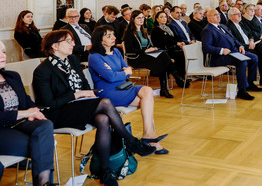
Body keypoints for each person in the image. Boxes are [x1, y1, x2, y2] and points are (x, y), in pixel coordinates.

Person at [32, 30, 156, 186]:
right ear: (55, 46)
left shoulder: (72, 61)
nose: (73, 44)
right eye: (68, 41)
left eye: (72, 40)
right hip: (58, 113)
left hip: (78, 107)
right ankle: (131, 141)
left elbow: (84, 84)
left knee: (103, 119)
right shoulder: (43, 71)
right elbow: (48, 104)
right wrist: (77, 95)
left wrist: (86, 94)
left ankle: (105, 171)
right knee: (104, 102)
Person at [88, 26, 168, 154]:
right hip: (108, 93)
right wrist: (122, 72)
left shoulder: (116, 52)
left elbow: (128, 70)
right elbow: (111, 77)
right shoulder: (95, 57)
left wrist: (122, 72)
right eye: (109, 36)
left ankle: (149, 135)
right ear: (99, 39)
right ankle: (151, 140)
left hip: (123, 87)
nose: (114, 38)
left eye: (113, 34)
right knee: (147, 102)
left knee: (147, 91)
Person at [0, 41, 54, 186]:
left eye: (3, 51)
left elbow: (26, 100)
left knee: (45, 125)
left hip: (17, 124)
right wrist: (24, 113)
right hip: (2, 128)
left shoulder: (12, 76)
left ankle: (44, 182)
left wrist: (34, 111)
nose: (2, 55)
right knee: (41, 145)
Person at [201, 9, 262, 101]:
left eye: (218, 14)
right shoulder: (207, 30)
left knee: (254, 58)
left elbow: (234, 39)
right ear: (209, 18)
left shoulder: (222, 26)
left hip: (234, 52)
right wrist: (221, 50)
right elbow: (206, 48)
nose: (218, 16)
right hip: (220, 57)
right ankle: (242, 90)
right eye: (215, 15)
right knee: (242, 62)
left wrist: (240, 46)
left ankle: (250, 83)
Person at [122, 10, 185, 98]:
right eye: (138, 18)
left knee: (163, 55)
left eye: (142, 18)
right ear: (133, 19)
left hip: (147, 56)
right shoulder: (129, 32)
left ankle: (165, 88)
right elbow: (129, 49)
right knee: (162, 60)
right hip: (136, 58)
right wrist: (145, 50)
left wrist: (153, 48)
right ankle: (172, 78)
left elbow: (149, 44)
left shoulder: (144, 31)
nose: (141, 20)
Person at [227, 7, 262, 87]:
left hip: (250, 44)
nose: (240, 15)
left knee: (261, 45)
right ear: (231, 16)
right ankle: (261, 77)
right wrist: (247, 45)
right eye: (237, 14)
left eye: (240, 14)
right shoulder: (229, 26)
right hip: (242, 48)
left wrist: (251, 40)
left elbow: (250, 34)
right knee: (259, 54)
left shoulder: (240, 23)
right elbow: (234, 42)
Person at [150, 11, 187, 84]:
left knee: (181, 54)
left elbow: (176, 36)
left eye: (165, 17)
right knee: (179, 55)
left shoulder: (168, 27)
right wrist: (177, 43)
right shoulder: (156, 29)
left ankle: (182, 77)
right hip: (162, 50)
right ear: (157, 19)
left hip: (171, 48)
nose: (164, 19)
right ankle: (179, 78)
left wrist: (181, 41)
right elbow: (166, 39)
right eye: (161, 17)